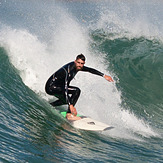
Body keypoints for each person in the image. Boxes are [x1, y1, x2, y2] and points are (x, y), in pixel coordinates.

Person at [45, 54, 113, 120]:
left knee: (69, 98)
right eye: (78, 63)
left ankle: (50, 105)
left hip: (59, 87)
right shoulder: (69, 71)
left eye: (82, 63)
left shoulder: (78, 67)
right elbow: (65, 88)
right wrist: (70, 105)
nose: (80, 65)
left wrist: (104, 75)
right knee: (74, 93)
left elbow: (90, 70)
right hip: (51, 87)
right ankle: (69, 114)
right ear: (75, 61)